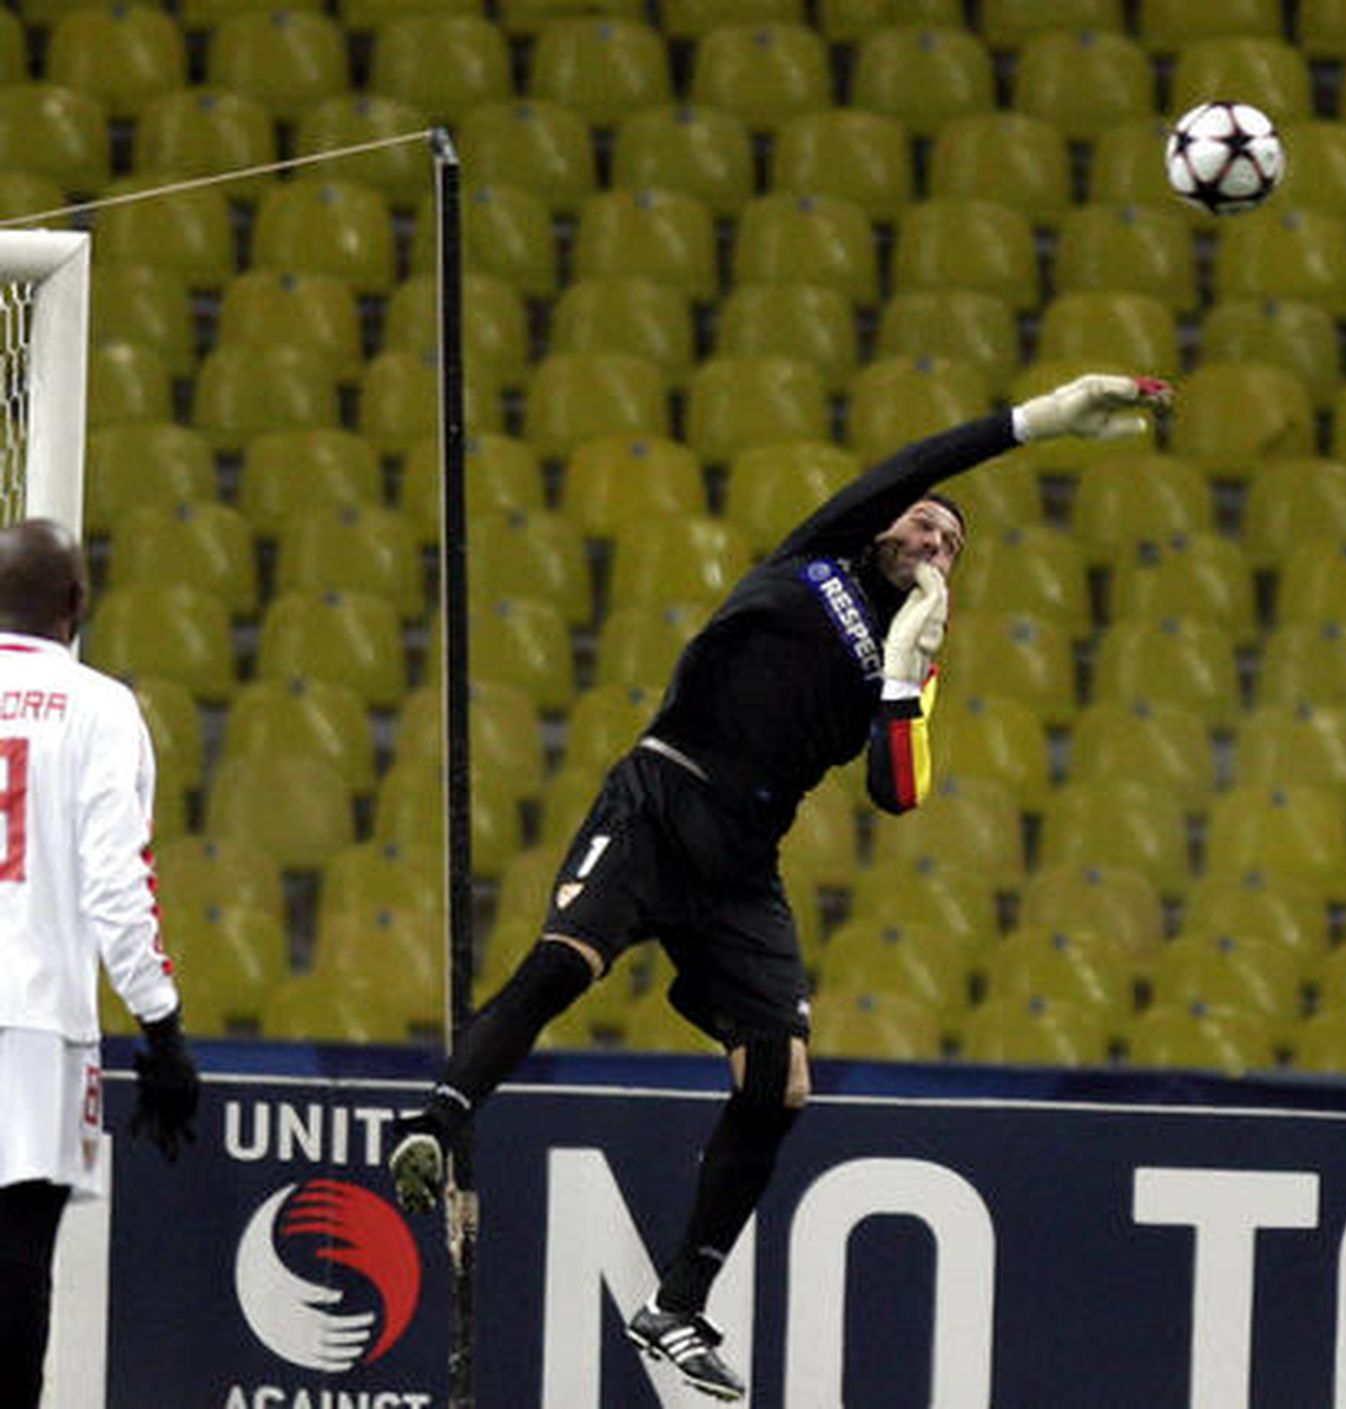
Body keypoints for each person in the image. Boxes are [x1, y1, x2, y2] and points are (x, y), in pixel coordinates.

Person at [388, 373, 1170, 1400]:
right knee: (566, 960)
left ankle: (675, 1303)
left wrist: (902, 669)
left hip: (743, 857)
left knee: (780, 1081)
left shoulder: (912, 652)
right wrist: (1040, 421)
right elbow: (917, 466)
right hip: (662, 793)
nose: (934, 542)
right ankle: (435, 1123)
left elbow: (897, 792)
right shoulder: (817, 557)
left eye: (952, 547)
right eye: (925, 528)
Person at [0, 518, 200, 1409]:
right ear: (79, 604)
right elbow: (118, 885)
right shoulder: (100, 709)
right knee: (15, 1270)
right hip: (36, 1027)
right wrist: (161, 1027)